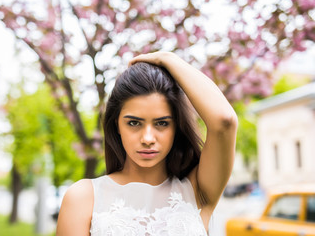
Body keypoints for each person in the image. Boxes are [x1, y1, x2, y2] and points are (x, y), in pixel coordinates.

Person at [56, 51, 238, 236]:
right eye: (134, 123)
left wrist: (168, 59)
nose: (148, 139)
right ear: (117, 125)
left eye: (162, 123)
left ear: (176, 127)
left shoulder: (197, 190)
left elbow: (224, 121)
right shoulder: (84, 197)